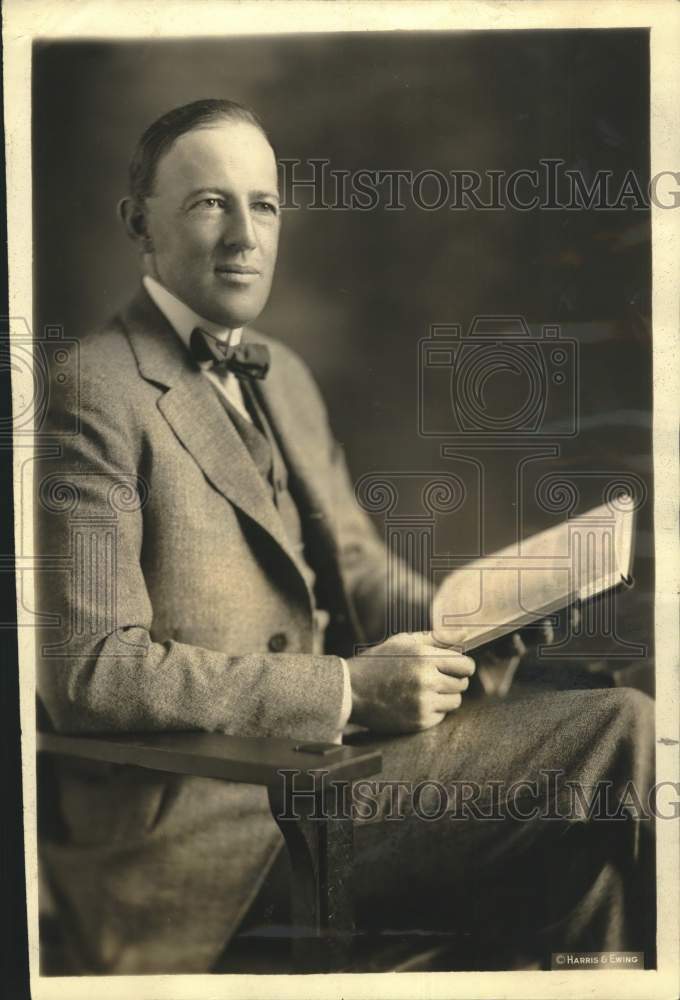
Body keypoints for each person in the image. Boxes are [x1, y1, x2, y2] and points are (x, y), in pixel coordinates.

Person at [35, 99, 655, 975]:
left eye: (264, 205)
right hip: (223, 833)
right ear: (139, 225)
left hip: (337, 778)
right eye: (209, 203)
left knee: (586, 836)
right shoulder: (90, 390)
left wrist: (475, 622)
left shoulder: (280, 373)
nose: (243, 236)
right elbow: (88, 673)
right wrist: (345, 691)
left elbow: (360, 572)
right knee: (620, 733)